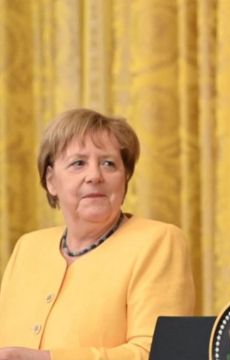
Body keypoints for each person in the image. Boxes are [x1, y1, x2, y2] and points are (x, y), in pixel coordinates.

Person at [0, 108, 195, 359]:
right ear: (51, 181)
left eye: (108, 163)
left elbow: (160, 353)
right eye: (78, 163)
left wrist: (49, 358)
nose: (94, 176)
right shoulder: (28, 247)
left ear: (125, 178)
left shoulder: (159, 242)